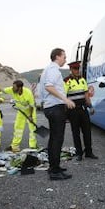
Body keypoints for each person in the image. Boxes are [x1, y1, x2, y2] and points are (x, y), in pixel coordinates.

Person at [40, 48, 75, 180]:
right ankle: (54, 171)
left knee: (53, 139)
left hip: (50, 107)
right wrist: (65, 99)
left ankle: (54, 166)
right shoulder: (53, 70)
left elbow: (44, 89)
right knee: (57, 139)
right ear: (57, 56)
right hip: (55, 108)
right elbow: (49, 87)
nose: (65, 60)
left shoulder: (46, 70)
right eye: (64, 57)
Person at [64, 60, 98, 161]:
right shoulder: (66, 81)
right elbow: (64, 97)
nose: (77, 70)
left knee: (87, 131)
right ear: (70, 69)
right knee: (76, 133)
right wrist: (65, 114)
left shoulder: (83, 80)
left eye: (78, 68)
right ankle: (79, 153)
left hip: (83, 109)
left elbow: (86, 95)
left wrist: (90, 106)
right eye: (75, 68)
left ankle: (89, 152)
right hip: (73, 111)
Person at [3, 80, 38, 153]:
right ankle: (15, 146)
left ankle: (32, 146)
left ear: (20, 88)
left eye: (14, 87)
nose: (12, 88)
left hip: (30, 111)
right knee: (18, 128)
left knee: (32, 129)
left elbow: (31, 105)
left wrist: (30, 116)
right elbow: (1, 90)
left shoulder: (28, 93)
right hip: (21, 112)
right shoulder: (12, 90)